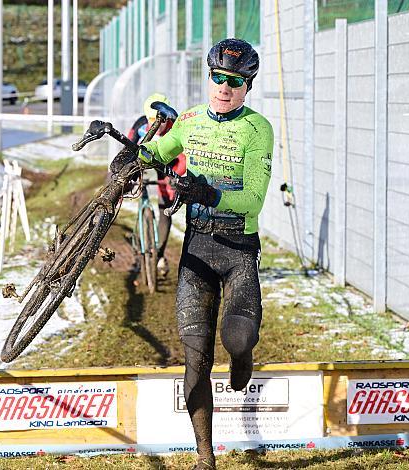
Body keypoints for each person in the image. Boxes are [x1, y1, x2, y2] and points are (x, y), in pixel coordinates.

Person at [111, 38, 274, 470]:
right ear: (209, 78)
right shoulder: (188, 121)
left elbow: (254, 200)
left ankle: (244, 356)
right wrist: (124, 151)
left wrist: (210, 192)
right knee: (196, 358)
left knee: (236, 337)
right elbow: (156, 153)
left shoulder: (257, 129)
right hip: (198, 248)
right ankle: (206, 457)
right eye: (218, 78)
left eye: (234, 82)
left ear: (247, 87)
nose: (224, 87)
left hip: (238, 248)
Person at [127, 92, 186, 277]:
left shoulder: (176, 126)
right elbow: (127, 149)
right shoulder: (140, 126)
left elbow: (184, 158)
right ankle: (142, 236)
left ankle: (158, 254)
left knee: (166, 206)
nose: (157, 124)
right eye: (153, 119)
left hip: (169, 165)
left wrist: (173, 178)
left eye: (161, 120)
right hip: (144, 160)